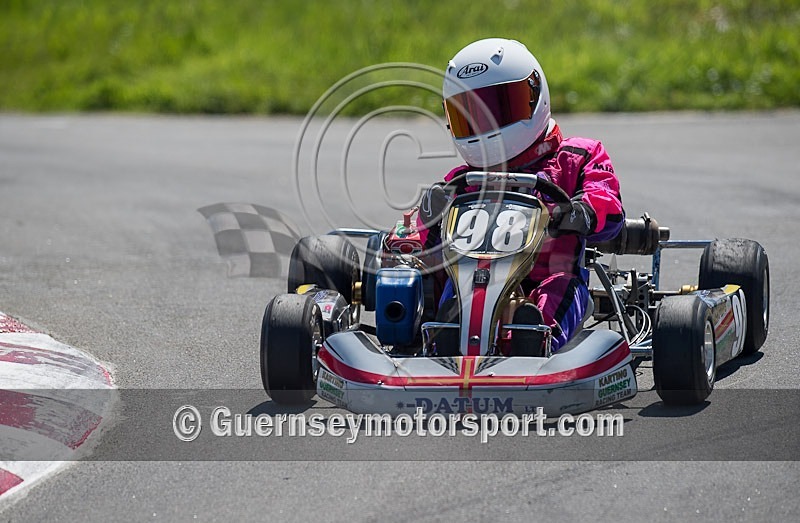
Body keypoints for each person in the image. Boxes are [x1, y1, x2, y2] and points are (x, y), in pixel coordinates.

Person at [417, 38, 624, 354]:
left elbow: (606, 201)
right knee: (454, 285)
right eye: (470, 115)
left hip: (553, 268)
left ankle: (536, 341)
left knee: (560, 285)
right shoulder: (462, 181)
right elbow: (425, 245)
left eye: (501, 107)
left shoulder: (577, 157)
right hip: (477, 275)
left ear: (533, 95)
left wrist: (582, 211)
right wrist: (431, 219)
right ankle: (446, 341)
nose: (488, 125)